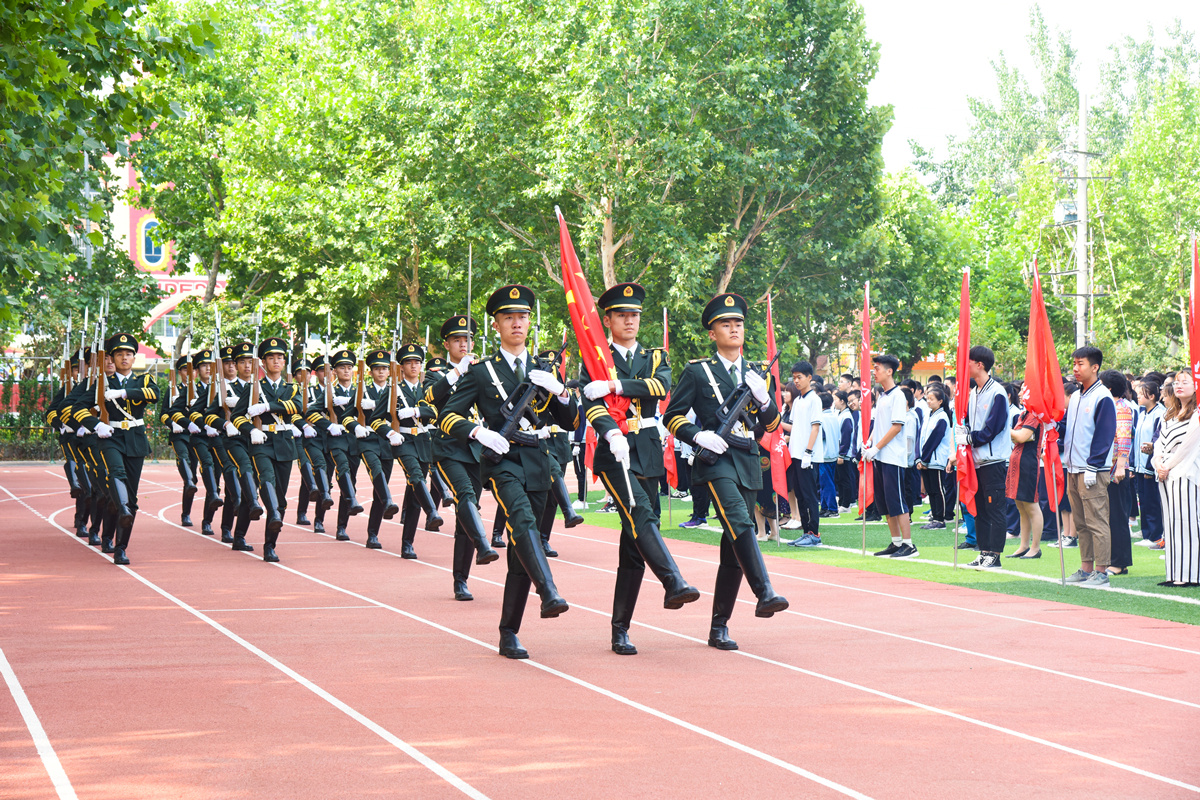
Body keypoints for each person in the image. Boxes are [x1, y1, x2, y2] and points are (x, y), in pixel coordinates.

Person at [439, 285, 579, 659]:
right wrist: (477, 431)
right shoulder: (482, 371)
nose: (517, 323)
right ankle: (548, 591)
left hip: (538, 459)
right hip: (503, 462)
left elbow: (569, 419)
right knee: (520, 520)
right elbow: (448, 415)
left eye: (523, 317)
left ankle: (508, 632)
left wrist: (563, 393)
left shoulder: (543, 369)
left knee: (521, 550)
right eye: (508, 317)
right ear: (496, 324)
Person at [664, 293, 788, 651]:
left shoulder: (757, 372)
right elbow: (672, 414)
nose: (734, 328)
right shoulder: (698, 371)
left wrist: (764, 400)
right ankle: (764, 590)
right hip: (715, 459)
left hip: (747, 458)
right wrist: (697, 433)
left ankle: (719, 626)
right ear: (712, 332)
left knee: (733, 545)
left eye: (738, 323)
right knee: (739, 520)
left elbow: (772, 423)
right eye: (725, 324)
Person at [580, 282, 699, 655]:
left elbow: (658, 387)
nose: (630, 321)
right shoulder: (595, 357)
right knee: (640, 513)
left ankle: (620, 629)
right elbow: (592, 403)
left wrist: (615, 384)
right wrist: (609, 432)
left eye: (634, 315)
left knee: (634, 545)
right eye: (622, 315)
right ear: (608, 319)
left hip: (646, 450)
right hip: (615, 451)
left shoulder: (655, 355)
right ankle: (673, 581)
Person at [424, 315, 500, 601]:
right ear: (447, 344)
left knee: (466, 513)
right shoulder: (437, 373)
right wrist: (457, 374)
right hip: (447, 448)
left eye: (467, 339)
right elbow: (430, 396)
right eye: (457, 340)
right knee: (465, 496)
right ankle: (483, 546)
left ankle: (461, 579)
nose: (463, 344)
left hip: (474, 448)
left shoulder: (480, 370)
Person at [76, 333, 157, 565]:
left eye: (128, 354)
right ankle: (123, 510)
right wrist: (96, 424)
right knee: (116, 475)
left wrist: (123, 393)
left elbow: (154, 395)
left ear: (134, 358)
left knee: (129, 496)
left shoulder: (143, 381)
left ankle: (119, 546)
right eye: (119, 354)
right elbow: (78, 409)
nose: (124, 358)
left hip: (135, 439)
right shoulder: (102, 383)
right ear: (112, 357)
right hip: (110, 437)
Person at [236, 336, 302, 562]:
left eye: (280, 357)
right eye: (271, 357)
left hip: (283, 442)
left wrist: (268, 406)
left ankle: (270, 544)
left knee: (281, 497)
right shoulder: (254, 387)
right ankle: (272, 513)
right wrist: (250, 430)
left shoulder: (291, 388)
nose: (276, 361)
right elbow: (237, 417)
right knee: (266, 479)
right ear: (263, 363)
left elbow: (298, 406)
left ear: (284, 362)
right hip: (261, 442)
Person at [1062, 346, 1117, 586]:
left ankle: (1102, 571)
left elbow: (1104, 435)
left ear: (1095, 367)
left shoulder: (1102, 396)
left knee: (1097, 521)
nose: (1075, 368)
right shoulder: (1075, 395)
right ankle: (1086, 568)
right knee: (1081, 522)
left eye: (1080, 363)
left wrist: (1094, 466)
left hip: (1091, 470)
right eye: (1074, 363)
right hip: (1073, 468)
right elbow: (1071, 429)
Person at [344, 349, 405, 550]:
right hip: (367, 439)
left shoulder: (395, 391)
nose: (381, 372)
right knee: (375, 470)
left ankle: (373, 533)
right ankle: (388, 501)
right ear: (370, 372)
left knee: (381, 487)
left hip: (386, 441)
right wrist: (356, 427)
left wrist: (378, 404)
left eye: (384, 369)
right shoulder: (361, 391)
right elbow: (346, 417)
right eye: (377, 369)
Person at [957, 345, 1012, 569]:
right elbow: (970, 422)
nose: (965, 367)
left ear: (979, 365)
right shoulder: (974, 392)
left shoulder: (997, 392)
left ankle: (995, 554)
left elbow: (993, 428)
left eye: (968, 362)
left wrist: (969, 438)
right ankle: (983, 551)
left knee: (994, 508)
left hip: (993, 461)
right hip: (976, 461)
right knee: (979, 508)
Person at [391, 343, 444, 558]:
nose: (413, 366)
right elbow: (378, 418)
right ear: (402, 367)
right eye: (409, 362)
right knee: (414, 476)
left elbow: (434, 410)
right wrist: (389, 432)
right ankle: (432, 512)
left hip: (424, 441)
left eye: (417, 362)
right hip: (403, 440)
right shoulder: (394, 389)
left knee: (414, 495)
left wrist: (415, 410)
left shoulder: (426, 390)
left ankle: (407, 543)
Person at [863, 354, 917, 558]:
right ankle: (895, 542)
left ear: (889, 371)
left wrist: (875, 447)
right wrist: (869, 442)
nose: (874, 372)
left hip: (892, 456)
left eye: (877, 368)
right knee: (884, 502)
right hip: (880, 456)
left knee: (898, 501)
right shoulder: (883, 396)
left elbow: (896, 427)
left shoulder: (898, 396)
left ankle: (909, 544)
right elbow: (879, 424)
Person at [1151, 368, 1200, 586]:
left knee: (1189, 522)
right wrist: (1158, 463)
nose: (1178, 386)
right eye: (1177, 382)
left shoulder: (1197, 414)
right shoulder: (1168, 414)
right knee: (1171, 523)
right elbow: (1158, 444)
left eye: (1185, 382)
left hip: (1187, 472)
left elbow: (1188, 447)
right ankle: (1175, 573)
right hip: (1167, 475)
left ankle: (1191, 575)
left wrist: (1167, 465)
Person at [312, 348, 365, 542]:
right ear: (334, 371)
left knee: (350, 480)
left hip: (354, 441)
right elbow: (312, 412)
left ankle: (342, 526)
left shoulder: (360, 390)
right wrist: (329, 425)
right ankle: (319, 518)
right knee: (335, 474)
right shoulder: (329, 391)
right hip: (335, 439)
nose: (346, 371)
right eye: (342, 367)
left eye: (349, 367)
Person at [185, 349, 223, 537]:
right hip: (199, 436)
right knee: (206, 464)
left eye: (211, 365)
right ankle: (213, 495)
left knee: (216, 476)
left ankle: (207, 520)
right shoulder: (191, 389)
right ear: (197, 369)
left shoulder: (222, 388)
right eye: (204, 366)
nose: (208, 368)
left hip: (218, 437)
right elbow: (175, 412)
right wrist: (193, 423)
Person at [1101, 370, 1134, 575]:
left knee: (1117, 516)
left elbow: (1123, 439)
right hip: (1106, 468)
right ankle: (1111, 558)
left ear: (1109, 387)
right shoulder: (1108, 406)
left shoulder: (1121, 407)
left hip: (1116, 470)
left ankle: (1119, 562)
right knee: (1108, 515)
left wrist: (1121, 466)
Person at [160, 354, 199, 527]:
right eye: (185, 370)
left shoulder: (202, 389)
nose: (190, 373)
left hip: (196, 435)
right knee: (182, 458)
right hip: (179, 434)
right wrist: (171, 423)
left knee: (192, 473)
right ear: (180, 372)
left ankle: (186, 513)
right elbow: (163, 414)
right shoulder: (173, 389)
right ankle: (189, 481)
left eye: (193, 370)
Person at [786, 361, 822, 545]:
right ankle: (805, 530)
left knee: (809, 496)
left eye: (799, 377)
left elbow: (815, 428)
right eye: (794, 378)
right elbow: (793, 427)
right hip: (796, 453)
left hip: (807, 455)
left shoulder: (814, 400)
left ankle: (814, 533)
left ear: (809, 377)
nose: (796, 381)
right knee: (800, 495)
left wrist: (808, 451)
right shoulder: (798, 400)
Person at [1005, 392, 1043, 559]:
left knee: (1031, 505)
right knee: (1021, 505)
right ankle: (1024, 546)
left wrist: (1005, 427)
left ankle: (1035, 547)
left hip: (1028, 463)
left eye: (1024, 391)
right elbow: (1017, 438)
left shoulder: (1035, 415)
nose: (1020, 394)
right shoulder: (1024, 414)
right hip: (1017, 461)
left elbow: (1021, 436)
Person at [917, 384, 954, 530]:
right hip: (927, 459)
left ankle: (941, 519)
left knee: (938, 490)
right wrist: (920, 459)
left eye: (932, 399)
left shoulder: (942, 417)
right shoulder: (929, 415)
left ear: (940, 401)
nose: (928, 401)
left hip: (935, 460)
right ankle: (935, 517)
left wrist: (924, 459)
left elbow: (934, 439)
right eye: (928, 398)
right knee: (930, 490)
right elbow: (923, 438)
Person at [1133, 379, 1165, 547]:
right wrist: (1133, 465)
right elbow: (1136, 438)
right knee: (1144, 501)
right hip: (1139, 464)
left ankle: (1155, 536)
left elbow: (1157, 441)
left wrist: (1148, 466)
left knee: (1152, 501)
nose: (1137, 396)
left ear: (1152, 396)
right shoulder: (1142, 412)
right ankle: (1147, 534)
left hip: (1150, 465)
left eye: (1141, 394)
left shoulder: (1160, 413)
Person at [816, 392, 840, 517]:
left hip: (824, 454)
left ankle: (831, 508)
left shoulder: (820, 418)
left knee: (826, 483)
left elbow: (821, 436)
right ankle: (825, 507)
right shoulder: (834, 416)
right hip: (833, 453)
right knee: (827, 482)